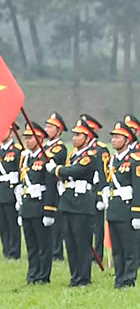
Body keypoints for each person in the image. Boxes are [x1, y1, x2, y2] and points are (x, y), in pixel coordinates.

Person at [56, 116, 108, 287]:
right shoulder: (73, 155)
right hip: (68, 202)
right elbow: (69, 171)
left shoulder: (89, 156)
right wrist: (62, 172)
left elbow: (76, 170)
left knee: (82, 242)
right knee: (70, 243)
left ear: (87, 138)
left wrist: (58, 170)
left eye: (79, 135)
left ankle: (83, 278)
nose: (74, 138)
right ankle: (75, 276)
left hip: (82, 204)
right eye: (74, 135)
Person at [19, 121, 57, 283]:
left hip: (40, 206)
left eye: (31, 138)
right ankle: (32, 273)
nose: (27, 141)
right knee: (31, 244)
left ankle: (43, 275)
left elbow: (50, 186)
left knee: (43, 244)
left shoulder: (46, 158)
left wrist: (49, 210)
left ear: (40, 139)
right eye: (26, 138)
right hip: (27, 205)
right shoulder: (26, 158)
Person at [108, 118, 140, 288]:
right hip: (114, 209)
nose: (114, 140)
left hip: (128, 210)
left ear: (127, 140)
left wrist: (137, 213)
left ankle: (128, 279)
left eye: (118, 137)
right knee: (117, 249)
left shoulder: (135, 160)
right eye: (113, 137)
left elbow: (138, 188)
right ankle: (119, 278)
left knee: (129, 249)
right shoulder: (113, 160)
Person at [0, 133, 22, 262]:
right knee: (2, 224)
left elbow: (22, 171)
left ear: (11, 132)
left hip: (11, 191)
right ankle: (6, 250)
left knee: (12, 224)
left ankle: (14, 252)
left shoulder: (17, 150)